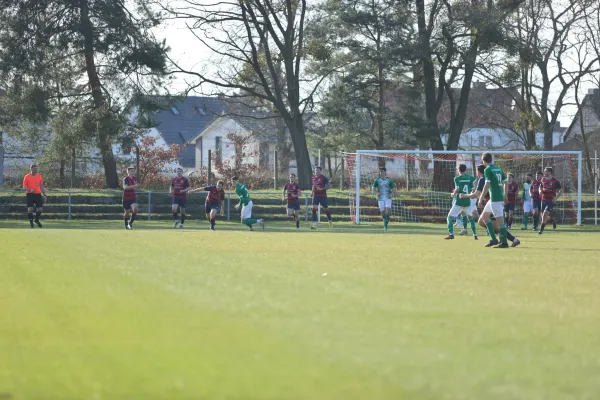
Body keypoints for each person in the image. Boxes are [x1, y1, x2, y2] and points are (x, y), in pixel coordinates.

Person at [461, 164, 520, 247]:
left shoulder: (483, 180)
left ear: (478, 171)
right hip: (492, 201)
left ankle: (506, 242)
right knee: (482, 220)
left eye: (476, 171)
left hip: (495, 201)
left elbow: (476, 194)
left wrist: (464, 196)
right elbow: (504, 182)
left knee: (499, 226)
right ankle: (495, 239)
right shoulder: (490, 175)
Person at [478, 152, 510, 248]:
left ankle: (504, 243)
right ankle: (493, 239)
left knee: (500, 222)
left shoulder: (487, 169)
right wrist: (505, 195)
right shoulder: (498, 168)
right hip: (494, 198)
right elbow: (506, 182)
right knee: (484, 217)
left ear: (483, 160)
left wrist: (480, 198)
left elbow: (487, 185)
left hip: (495, 199)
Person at [445, 164, 475, 239]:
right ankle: (475, 235)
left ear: (458, 170)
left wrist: (453, 193)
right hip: (467, 201)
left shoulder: (457, 178)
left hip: (459, 201)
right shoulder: (470, 178)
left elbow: (458, 188)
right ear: (465, 170)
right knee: (470, 217)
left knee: (449, 217)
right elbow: (473, 187)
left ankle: (451, 234)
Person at [538, 167, 562, 235]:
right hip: (543, 200)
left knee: (544, 214)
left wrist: (556, 197)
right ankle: (552, 220)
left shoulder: (555, 181)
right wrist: (540, 191)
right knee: (544, 216)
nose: (544, 173)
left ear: (549, 172)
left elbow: (561, 190)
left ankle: (541, 230)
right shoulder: (543, 179)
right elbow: (540, 187)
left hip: (550, 201)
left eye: (545, 171)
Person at [22, 163, 47, 228]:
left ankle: (36, 220)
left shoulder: (39, 176)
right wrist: (30, 189)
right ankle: (31, 224)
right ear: (31, 169)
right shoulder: (27, 176)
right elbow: (24, 187)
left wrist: (44, 194)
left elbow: (41, 186)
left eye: (37, 168)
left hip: (37, 194)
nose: (36, 169)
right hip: (30, 194)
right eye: (35, 168)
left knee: (40, 209)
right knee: (30, 209)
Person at [372, 167, 395, 232]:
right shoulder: (377, 180)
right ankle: (386, 220)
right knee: (383, 214)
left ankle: (385, 227)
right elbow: (373, 187)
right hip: (380, 199)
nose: (381, 173)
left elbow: (393, 188)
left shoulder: (389, 180)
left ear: (385, 172)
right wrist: (376, 192)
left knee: (387, 212)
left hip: (388, 198)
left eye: (382, 171)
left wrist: (391, 194)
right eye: (380, 171)